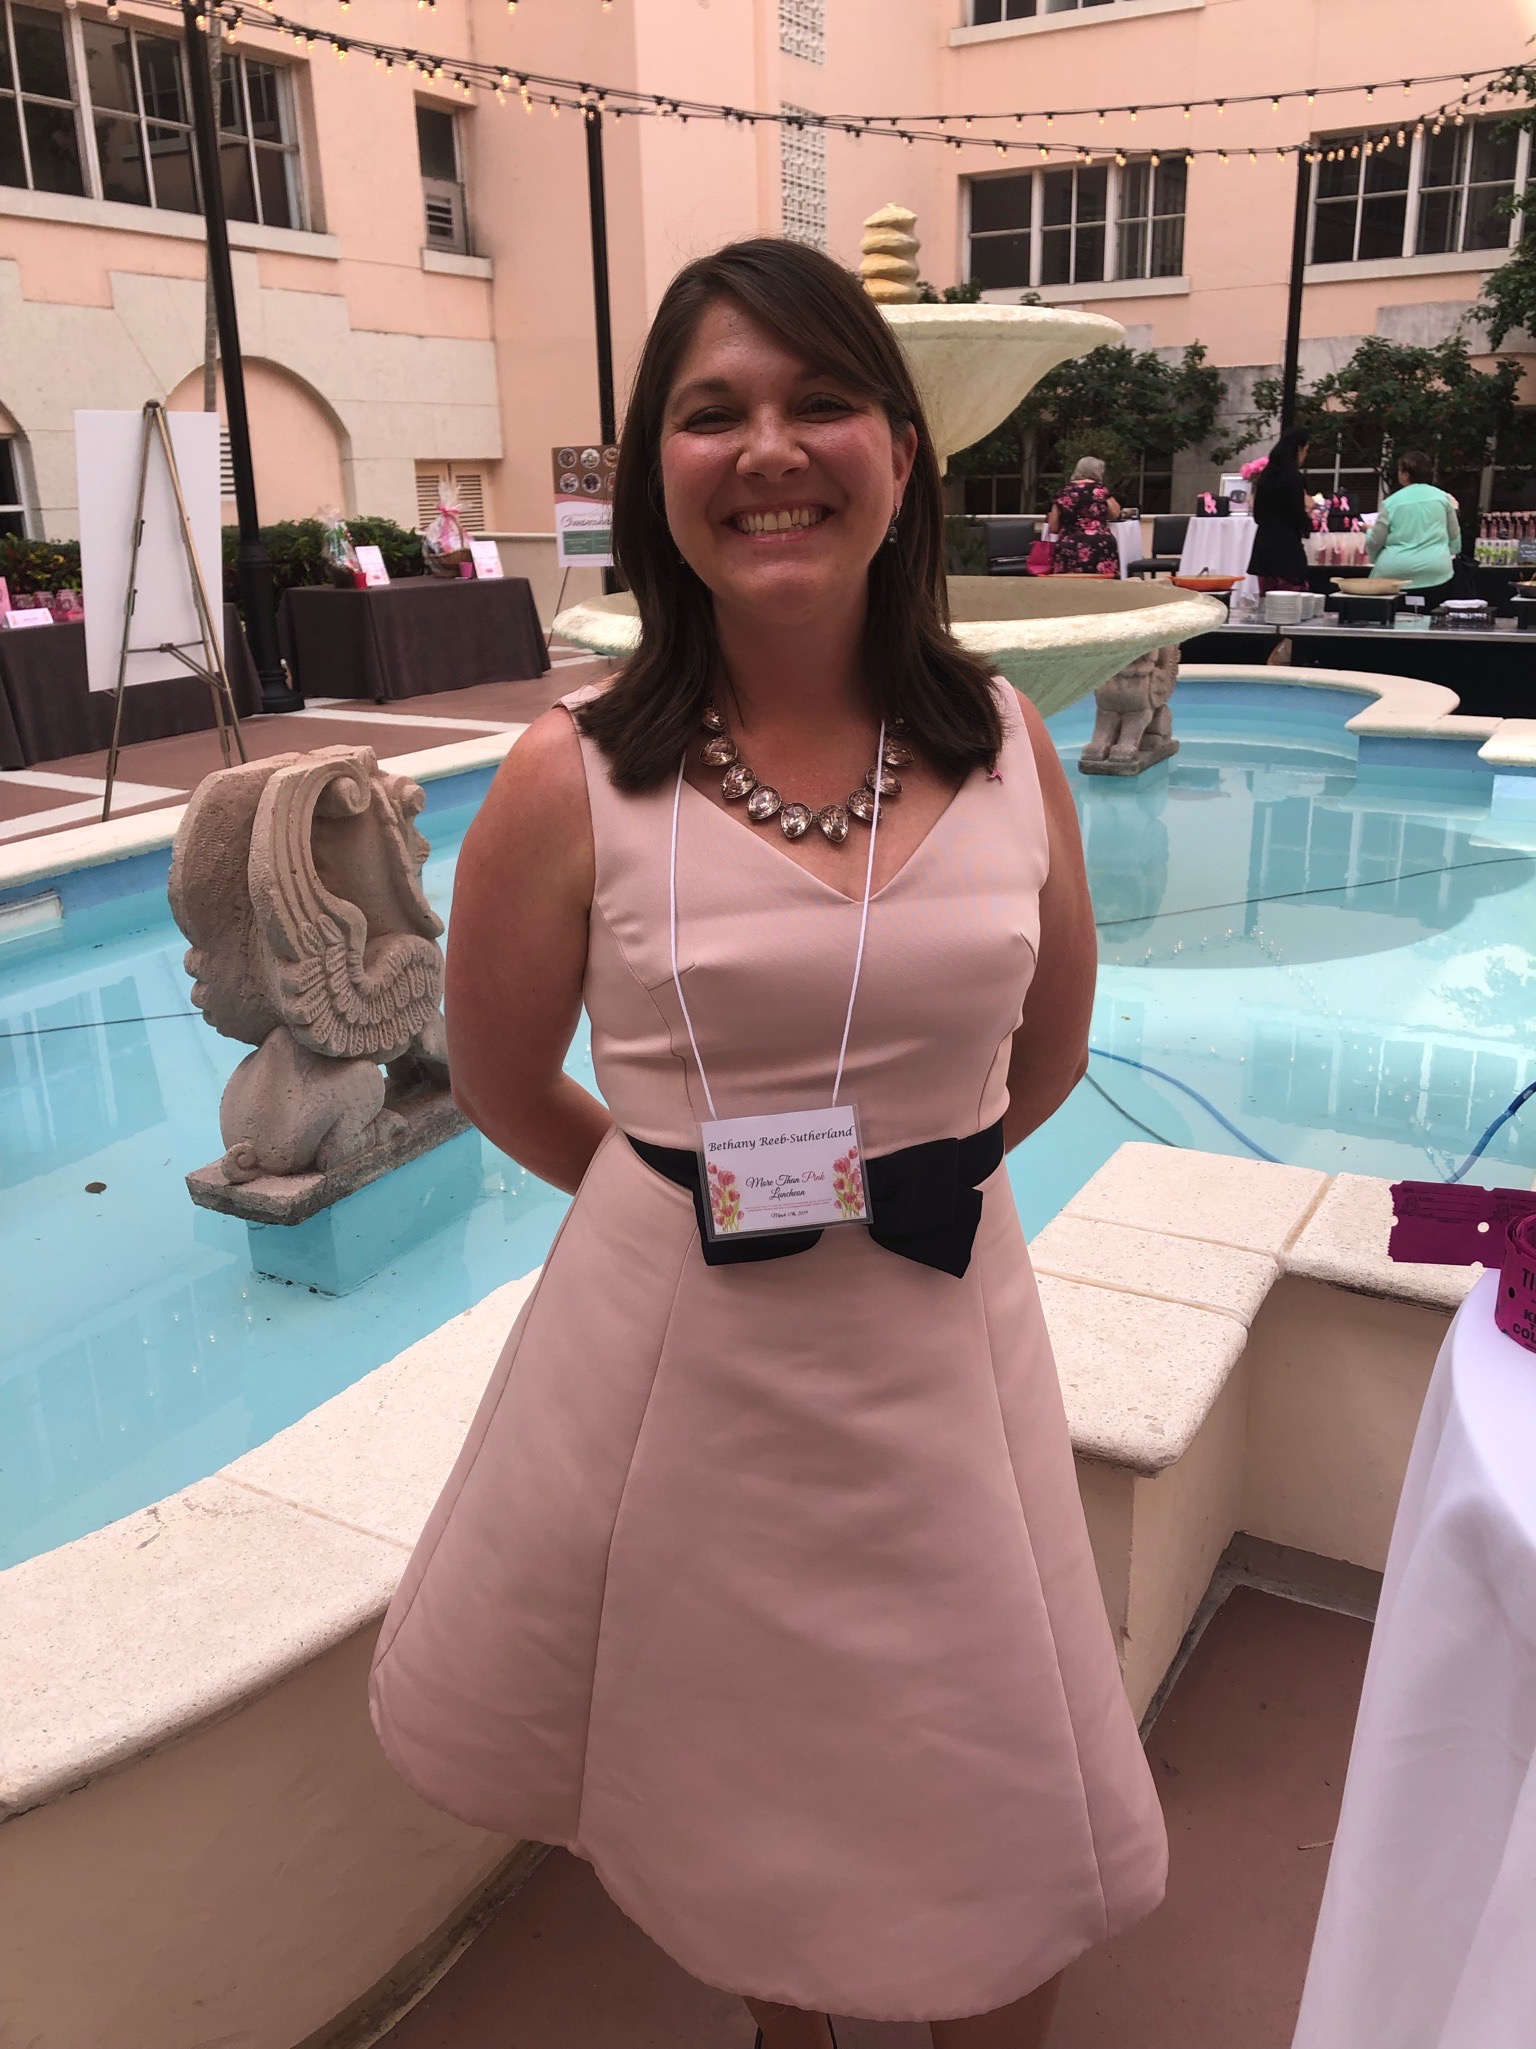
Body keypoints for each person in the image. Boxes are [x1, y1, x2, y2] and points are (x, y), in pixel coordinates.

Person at [369, 238, 1166, 2049]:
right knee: (737, 1770)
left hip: (941, 1342)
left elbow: (1045, 1053)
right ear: (658, 473)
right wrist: (686, 1210)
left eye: (818, 401)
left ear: (901, 444)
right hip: (693, 1375)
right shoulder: (569, 776)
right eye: (712, 412)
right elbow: (500, 1080)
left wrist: (899, 1185)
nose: (771, 447)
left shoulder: (1012, 743)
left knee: (998, 1780)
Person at [1365, 450, 1462, 605]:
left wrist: (1369, 537)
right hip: (1436, 570)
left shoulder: (1391, 502)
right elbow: (1454, 535)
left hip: (1395, 571)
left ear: (1405, 474)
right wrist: (1443, 553)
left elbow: (1376, 541)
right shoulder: (1443, 498)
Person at [1246, 425, 1314, 596]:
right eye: (1306, 449)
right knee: (1291, 604)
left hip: (1263, 549)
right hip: (1287, 551)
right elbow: (1297, 516)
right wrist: (1309, 516)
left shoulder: (1265, 476)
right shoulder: (1293, 478)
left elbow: (1258, 515)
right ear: (1299, 449)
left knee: (1267, 605)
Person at [1047, 455, 1122, 574]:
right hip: (1100, 544)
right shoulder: (1100, 490)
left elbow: (1054, 528)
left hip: (1070, 544)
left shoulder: (1064, 491)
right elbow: (1116, 514)